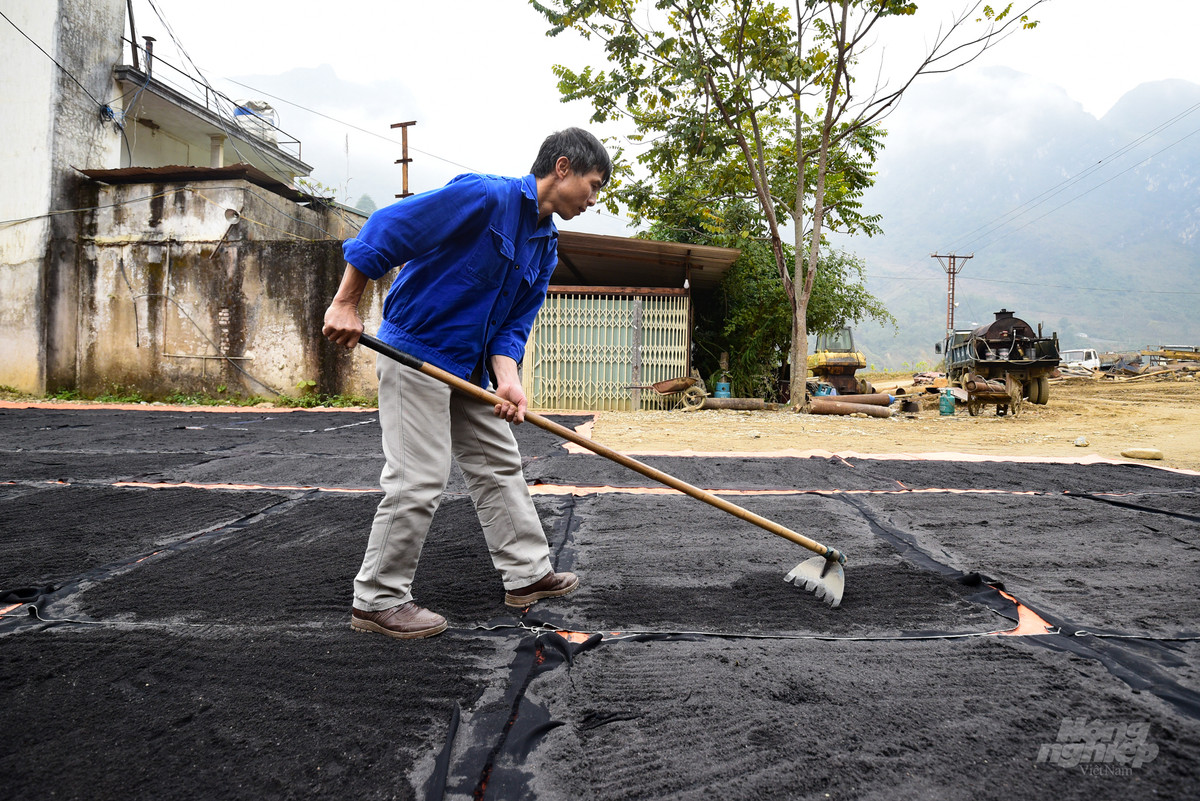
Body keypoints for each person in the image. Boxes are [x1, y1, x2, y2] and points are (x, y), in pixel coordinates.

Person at [322, 128, 612, 640]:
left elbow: (513, 325)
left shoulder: (545, 245)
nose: (594, 198)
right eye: (592, 184)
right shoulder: (484, 196)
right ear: (562, 167)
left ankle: (527, 576)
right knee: (419, 476)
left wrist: (508, 381)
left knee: (499, 463)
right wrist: (346, 302)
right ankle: (377, 600)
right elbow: (389, 224)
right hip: (416, 353)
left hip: (472, 370)